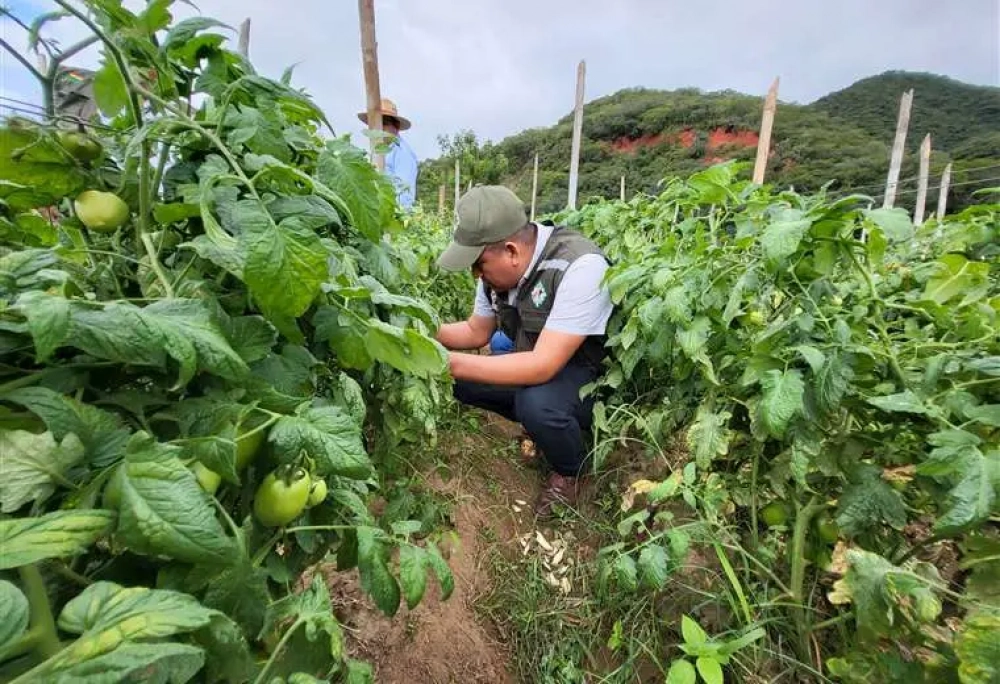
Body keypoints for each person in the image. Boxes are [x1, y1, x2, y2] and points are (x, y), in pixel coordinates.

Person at [435, 185, 613, 516]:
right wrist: (421, 333)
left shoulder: (581, 267)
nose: (475, 273)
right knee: (461, 382)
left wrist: (446, 362)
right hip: (539, 362)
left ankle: (570, 472)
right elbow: (476, 331)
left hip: (591, 379)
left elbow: (542, 366)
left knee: (538, 404)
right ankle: (539, 425)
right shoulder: (494, 276)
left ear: (512, 251)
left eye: (479, 263)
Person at [357, 98, 418, 209]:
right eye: (373, 123)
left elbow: (404, 195)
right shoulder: (379, 150)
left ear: (396, 127)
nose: (377, 128)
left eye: (383, 123)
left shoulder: (402, 153)